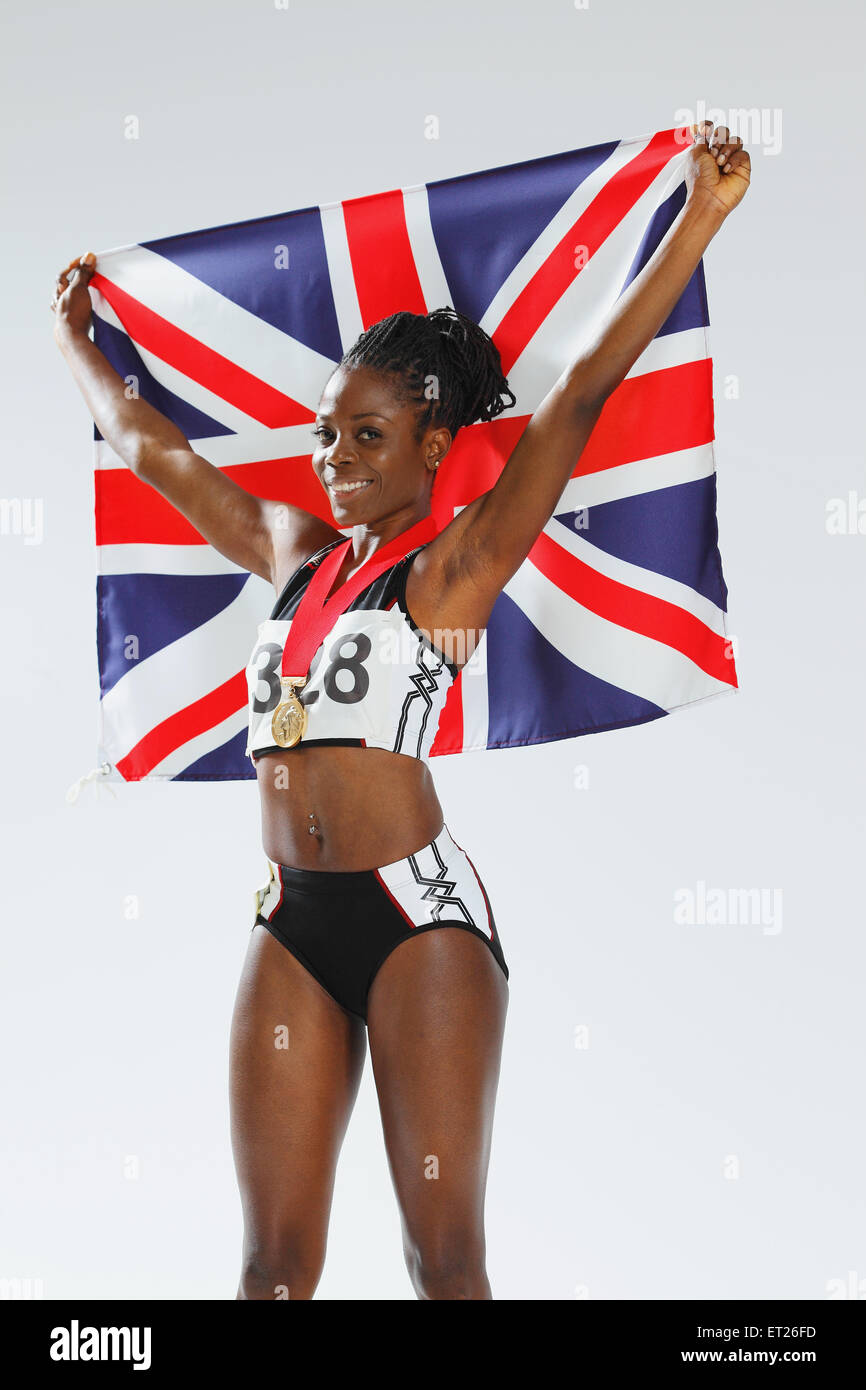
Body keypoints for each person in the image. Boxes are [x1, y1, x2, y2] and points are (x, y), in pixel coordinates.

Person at [51, 122, 749, 1300]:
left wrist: (698, 219)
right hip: (291, 918)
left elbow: (577, 396)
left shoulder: (450, 572)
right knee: (271, 1270)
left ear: (434, 443)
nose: (332, 456)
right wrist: (72, 336)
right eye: (326, 432)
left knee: (443, 1261)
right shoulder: (288, 550)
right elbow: (145, 443)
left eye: (365, 435)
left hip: (417, 916)